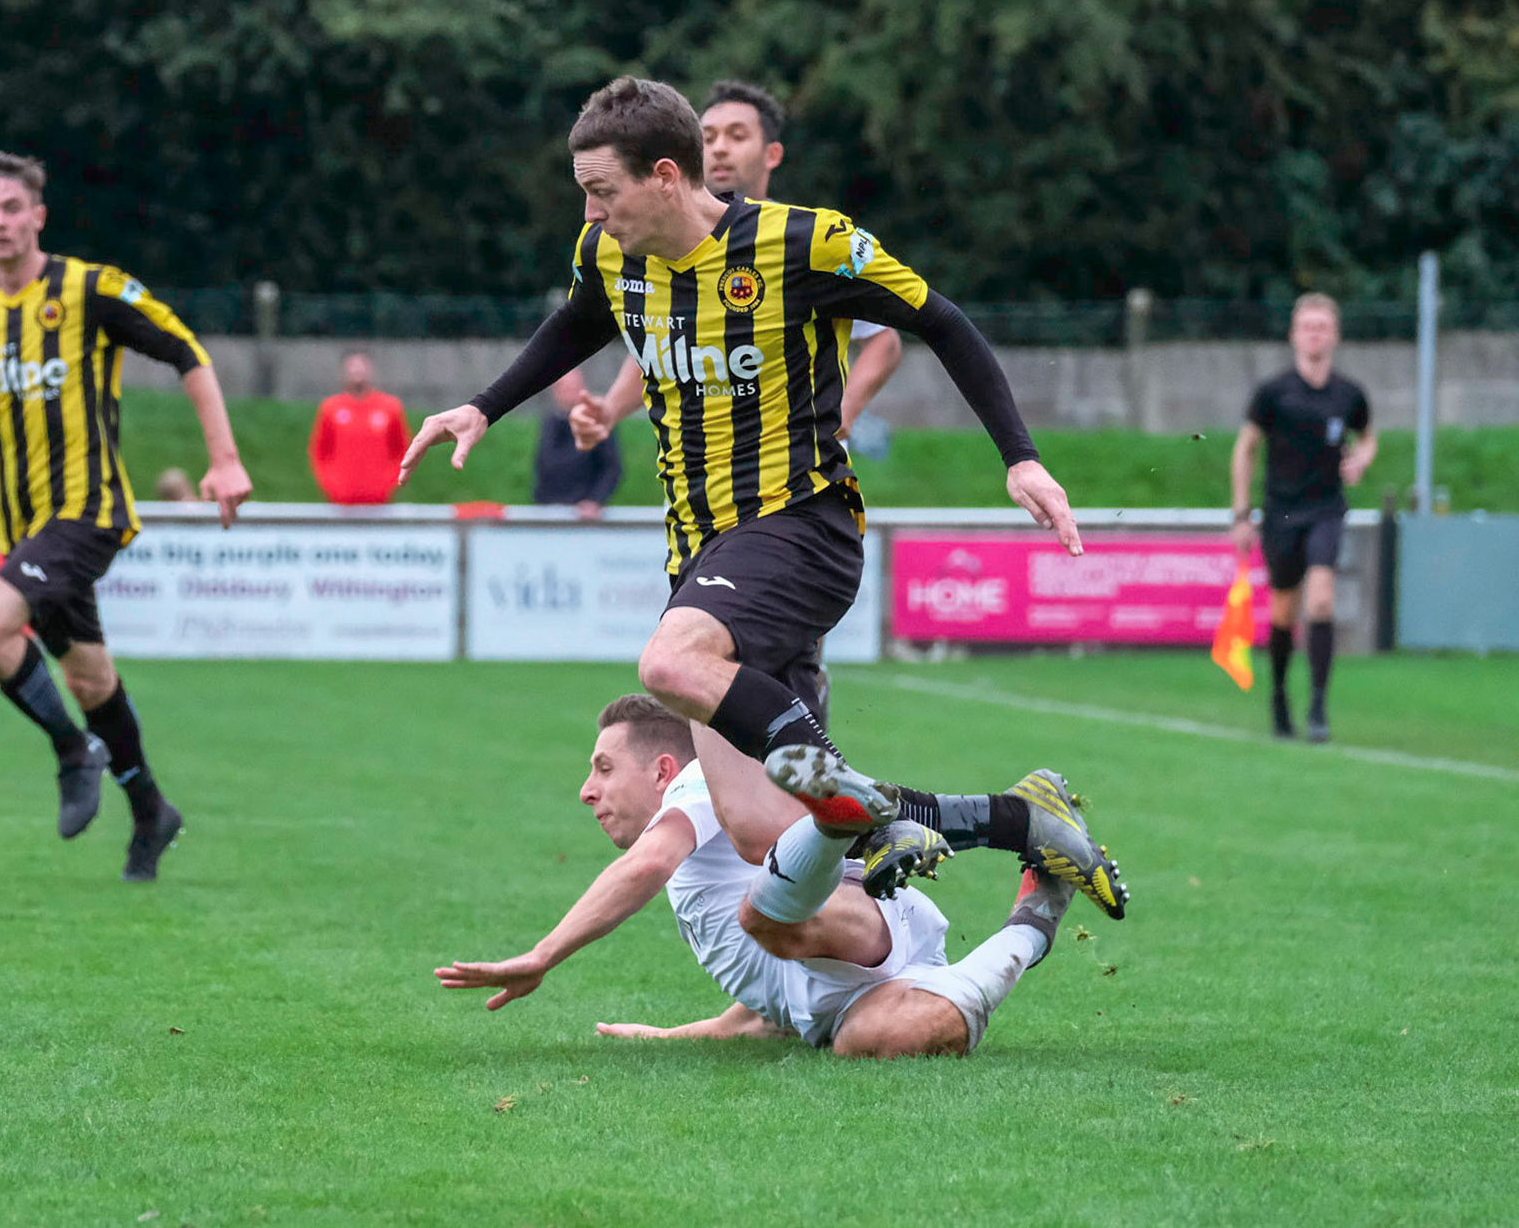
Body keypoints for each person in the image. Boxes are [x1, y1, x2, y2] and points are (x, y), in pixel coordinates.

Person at [400, 76, 1127, 922]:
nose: (592, 213)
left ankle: (871, 816)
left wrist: (1021, 459)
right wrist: (483, 407)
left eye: (604, 192)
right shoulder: (606, 253)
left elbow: (941, 320)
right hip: (701, 551)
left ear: (665, 176)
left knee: (669, 665)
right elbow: (579, 321)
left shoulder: (805, 245)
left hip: (799, 524)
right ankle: (1022, 818)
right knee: (761, 826)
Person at [0, 150, 254, 882]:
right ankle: (152, 811)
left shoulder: (90, 288)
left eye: (11, 208)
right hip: (24, 526)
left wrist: (224, 458)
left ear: (37, 217)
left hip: (86, 512)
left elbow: (186, 350)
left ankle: (71, 751)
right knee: (90, 680)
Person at [436, 696, 1078, 1058]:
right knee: (885, 1043)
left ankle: (849, 826)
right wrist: (679, 1035)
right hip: (845, 984)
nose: (586, 790)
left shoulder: (694, 784)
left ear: (663, 770)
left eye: (603, 769)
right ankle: (1039, 913)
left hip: (858, 918)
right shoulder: (701, 849)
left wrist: (542, 956)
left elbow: (647, 865)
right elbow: (771, 1004)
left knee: (764, 919)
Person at [572, 81, 904, 459]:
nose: (719, 148)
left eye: (737, 135)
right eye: (708, 137)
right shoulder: (659, 242)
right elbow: (663, 339)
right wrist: (610, 410)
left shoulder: (803, 245)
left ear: (772, 154)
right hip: (700, 485)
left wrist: (842, 413)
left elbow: (883, 341)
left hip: (798, 477)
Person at [1230, 292, 1376, 743]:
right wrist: (1241, 514)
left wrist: (1360, 462)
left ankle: (1317, 707)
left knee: (1322, 600)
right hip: (1281, 513)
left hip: (1327, 509)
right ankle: (1278, 694)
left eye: (1322, 326)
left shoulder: (1349, 395)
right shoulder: (1274, 393)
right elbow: (1245, 450)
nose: (1315, 333)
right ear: (1294, 334)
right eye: (1307, 325)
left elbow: (1368, 437)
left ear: (1334, 335)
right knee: (1284, 612)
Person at [308, 349, 409, 504]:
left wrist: (388, 484)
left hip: (379, 501)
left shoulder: (390, 407)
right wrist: (331, 485)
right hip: (340, 502)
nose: (357, 370)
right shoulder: (330, 408)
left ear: (370, 369)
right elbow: (319, 452)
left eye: (361, 365)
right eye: (352, 366)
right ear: (344, 371)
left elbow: (402, 451)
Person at [532, 369, 622, 517]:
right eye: (563, 389)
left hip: (584, 513)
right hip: (550, 510)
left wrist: (595, 500)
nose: (567, 394)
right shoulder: (551, 422)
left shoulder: (595, 421)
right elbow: (543, 464)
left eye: (572, 388)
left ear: (582, 389)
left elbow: (612, 467)